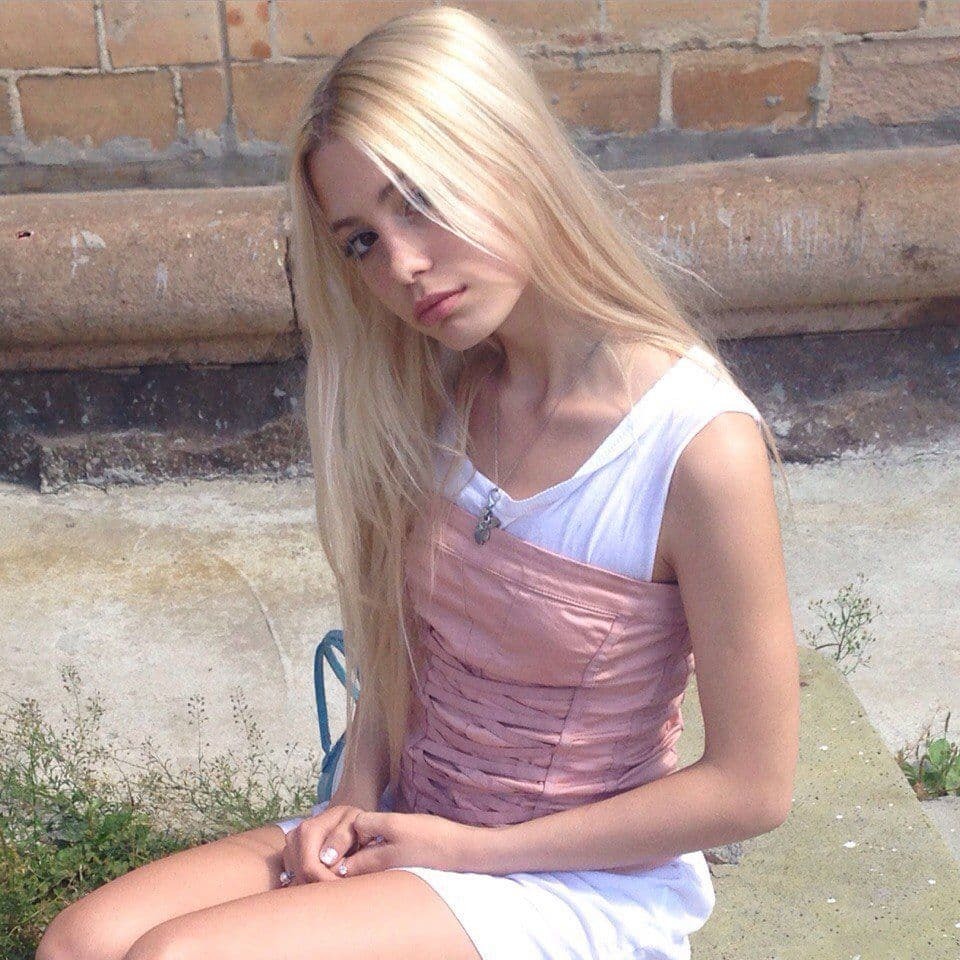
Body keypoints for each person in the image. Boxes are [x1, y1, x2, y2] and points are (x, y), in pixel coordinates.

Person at [36, 6, 799, 960]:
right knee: (83, 942)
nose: (401, 264)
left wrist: (471, 851)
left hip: (567, 881)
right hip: (409, 825)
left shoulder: (695, 447)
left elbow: (753, 788)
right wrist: (351, 799)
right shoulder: (435, 392)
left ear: (512, 155)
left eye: (421, 200)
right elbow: (402, 652)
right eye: (360, 239)